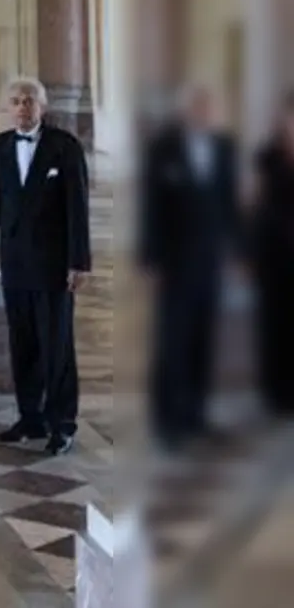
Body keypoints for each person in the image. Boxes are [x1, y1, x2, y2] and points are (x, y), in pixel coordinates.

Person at [0, 77, 90, 456]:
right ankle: (30, 416)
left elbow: (77, 208)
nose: (22, 107)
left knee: (56, 344)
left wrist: (79, 261)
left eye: (29, 101)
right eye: (16, 101)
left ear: (41, 107)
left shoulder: (64, 147)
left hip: (54, 263)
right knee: (22, 342)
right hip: (14, 260)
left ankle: (63, 423)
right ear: (8, 108)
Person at [141, 84, 238, 449]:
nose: (205, 112)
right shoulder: (163, 149)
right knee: (172, 342)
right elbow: (151, 208)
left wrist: (237, 252)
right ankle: (168, 422)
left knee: (203, 339)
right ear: (186, 110)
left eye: (210, 106)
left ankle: (197, 415)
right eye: (199, 105)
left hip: (210, 260)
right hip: (173, 263)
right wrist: (151, 260)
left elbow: (228, 205)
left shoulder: (224, 148)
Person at [249, 92, 294, 415]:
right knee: (273, 323)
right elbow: (256, 203)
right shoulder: (267, 156)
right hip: (273, 253)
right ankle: (274, 392)